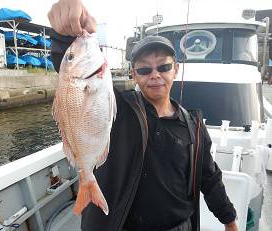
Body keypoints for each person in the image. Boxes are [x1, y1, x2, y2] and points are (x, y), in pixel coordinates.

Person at [48, 1, 238, 230]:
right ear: (134, 75)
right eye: (145, 69)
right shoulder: (121, 109)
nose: (155, 75)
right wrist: (66, 33)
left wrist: (229, 220)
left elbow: (209, 178)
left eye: (163, 67)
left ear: (175, 69)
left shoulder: (194, 125)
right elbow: (72, 74)